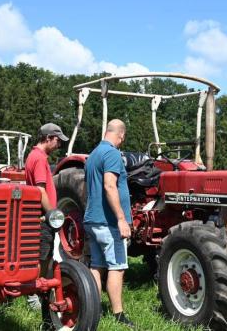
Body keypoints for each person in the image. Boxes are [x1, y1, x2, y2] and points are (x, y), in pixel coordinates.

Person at [84, 119, 134, 327]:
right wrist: (122, 219)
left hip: (92, 220)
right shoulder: (112, 154)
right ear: (121, 135)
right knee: (117, 267)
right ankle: (118, 314)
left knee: (97, 265)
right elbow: (110, 186)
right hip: (108, 222)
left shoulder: (93, 154)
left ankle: (92, 307)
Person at [24, 123, 68, 323]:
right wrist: (52, 214)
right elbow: (40, 190)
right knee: (42, 257)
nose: (59, 145)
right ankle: (35, 293)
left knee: (42, 254)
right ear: (48, 137)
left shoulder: (33, 156)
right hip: (43, 217)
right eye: (57, 140)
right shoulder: (40, 159)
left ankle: (35, 291)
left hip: (39, 215)